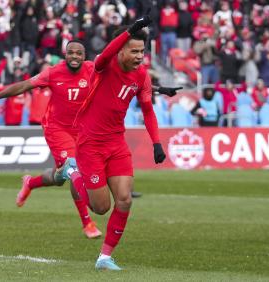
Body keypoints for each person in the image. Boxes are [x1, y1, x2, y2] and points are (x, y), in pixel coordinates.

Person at [0, 40, 102, 239]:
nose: (74, 57)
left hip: (82, 130)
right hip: (57, 129)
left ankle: (30, 183)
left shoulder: (93, 69)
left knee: (59, 178)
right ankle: (87, 223)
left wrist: (156, 88)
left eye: (79, 54)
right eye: (71, 53)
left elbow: (124, 81)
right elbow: (23, 86)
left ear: (85, 56)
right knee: (75, 170)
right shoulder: (53, 72)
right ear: (64, 55)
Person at [70, 17, 165, 270]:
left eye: (142, 51)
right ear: (121, 49)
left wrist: (157, 142)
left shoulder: (142, 76)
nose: (138, 56)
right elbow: (105, 54)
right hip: (90, 143)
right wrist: (129, 31)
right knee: (101, 208)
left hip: (116, 144)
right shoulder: (104, 66)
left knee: (124, 199)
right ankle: (74, 175)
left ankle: (104, 257)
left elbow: (147, 110)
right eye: (133, 51)